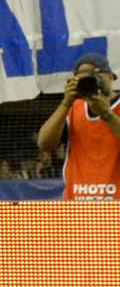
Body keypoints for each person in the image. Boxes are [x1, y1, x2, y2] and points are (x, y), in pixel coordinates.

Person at [37, 53, 120, 200]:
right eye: (83, 79)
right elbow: (44, 143)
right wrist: (66, 103)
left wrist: (106, 114)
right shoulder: (74, 108)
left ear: (111, 77)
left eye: (94, 76)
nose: (91, 83)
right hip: (77, 206)